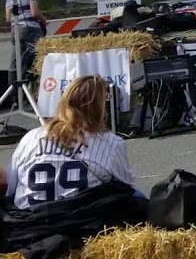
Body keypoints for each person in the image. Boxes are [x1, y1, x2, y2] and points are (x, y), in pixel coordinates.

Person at [7, 77, 137, 210]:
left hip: (30, 221)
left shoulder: (30, 138)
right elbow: (128, 189)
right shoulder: (111, 143)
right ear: (100, 108)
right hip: (79, 221)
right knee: (138, 199)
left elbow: (11, 188)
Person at [4, 0, 45, 85]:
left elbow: (8, 19)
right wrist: (43, 20)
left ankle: (14, 90)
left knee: (15, 59)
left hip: (16, 29)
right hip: (31, 28)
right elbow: (34, 12)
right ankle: (31, 85)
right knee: (36, 59)